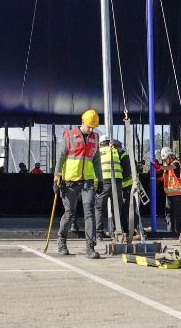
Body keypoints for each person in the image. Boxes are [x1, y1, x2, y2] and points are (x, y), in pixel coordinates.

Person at [54, 109, 101, 258]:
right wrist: (56, 178)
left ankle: (90, 247)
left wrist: (99, 179)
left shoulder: (95, 138)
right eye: (89, 126)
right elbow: (61, 158)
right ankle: (61, 242)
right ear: (82, 122)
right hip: (70, 181)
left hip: (88, 181)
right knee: (69, 213)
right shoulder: (69, 135)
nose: (91, 129)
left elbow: (97, 161)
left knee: (89, 213)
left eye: (94, 126)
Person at [96, 136, 135, 239]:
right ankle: (116, 231)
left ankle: (99, 233)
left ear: (101, 143)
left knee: (99, 208)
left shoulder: (98, 152)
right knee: (117, 208)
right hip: (117, 182)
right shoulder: (116, 151)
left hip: (104, 182)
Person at [158, 146, 181, 238]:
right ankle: (170, 233)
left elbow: (170, 168)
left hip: (178, 193)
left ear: (170, 156)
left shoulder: (176, 163)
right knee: (168, 214)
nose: (164, 161)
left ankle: (179, 233)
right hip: (169, 193)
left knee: (177, 214)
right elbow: (167, 178)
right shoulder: (167, 166)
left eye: (165, 159)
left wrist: (159, 166)